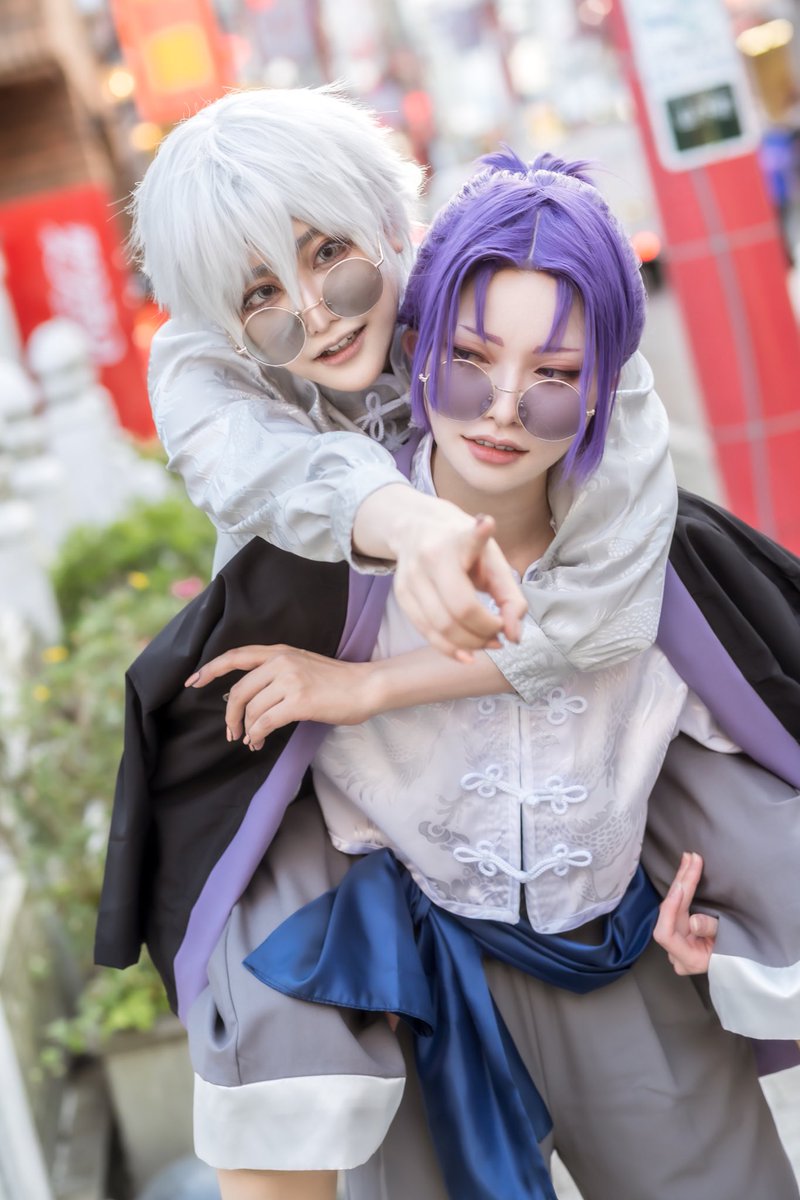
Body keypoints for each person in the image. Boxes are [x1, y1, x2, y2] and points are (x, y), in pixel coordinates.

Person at [97, 152, 800, 1200]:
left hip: (626, 968)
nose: (503, 408)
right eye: (469, 360)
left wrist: (732, 906)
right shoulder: (307, 580)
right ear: (427, 348)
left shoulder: (644, 550)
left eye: (556, 376)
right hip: (418, 999)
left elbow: (726, 731)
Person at [133, 85, 677, 682]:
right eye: (263, 292)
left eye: (328, 252)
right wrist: (405, 521)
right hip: (303, 663)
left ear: (389, 222)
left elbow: (608, 583)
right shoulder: (203, 362)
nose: (315, 315)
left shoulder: (478, 287)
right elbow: (251, 464)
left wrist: (373, 688)